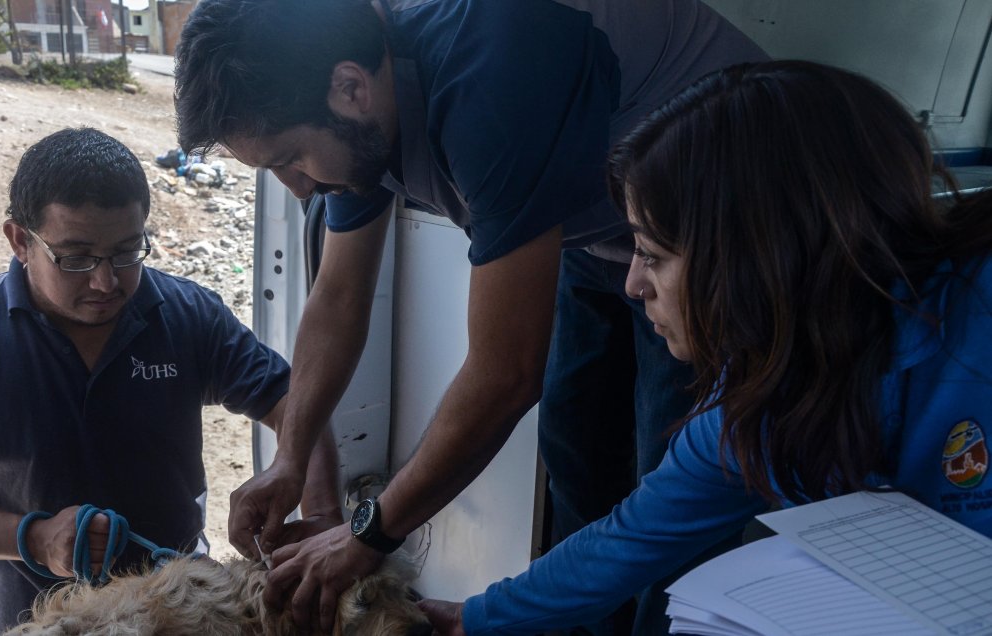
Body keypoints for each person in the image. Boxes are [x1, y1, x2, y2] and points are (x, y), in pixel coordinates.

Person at [174, 2, 765, 633]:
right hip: (593, 228)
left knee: (672, 481)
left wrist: (370, 533)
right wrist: (289, 459)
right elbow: (339, 299)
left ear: (351, 88)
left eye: (291, 157)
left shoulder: (487, 79)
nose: (296, 187)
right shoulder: (358, 116)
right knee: (576, 456)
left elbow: (506, 374)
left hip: (721, 228)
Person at [416, 59, 992, 635]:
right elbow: (631, 537)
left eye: (654, 254)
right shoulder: (761, 394)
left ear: (756, 256)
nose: (633, 285)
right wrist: (473, 621)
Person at [0, 127, 341, 635]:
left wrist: (321, 512)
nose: (106, 282)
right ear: (20, 241)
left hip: (178, 615)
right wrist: (34, 538)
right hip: (36, 621)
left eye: (126, 252)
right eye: (75, 258)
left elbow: (291, 401)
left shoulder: (187, 316)